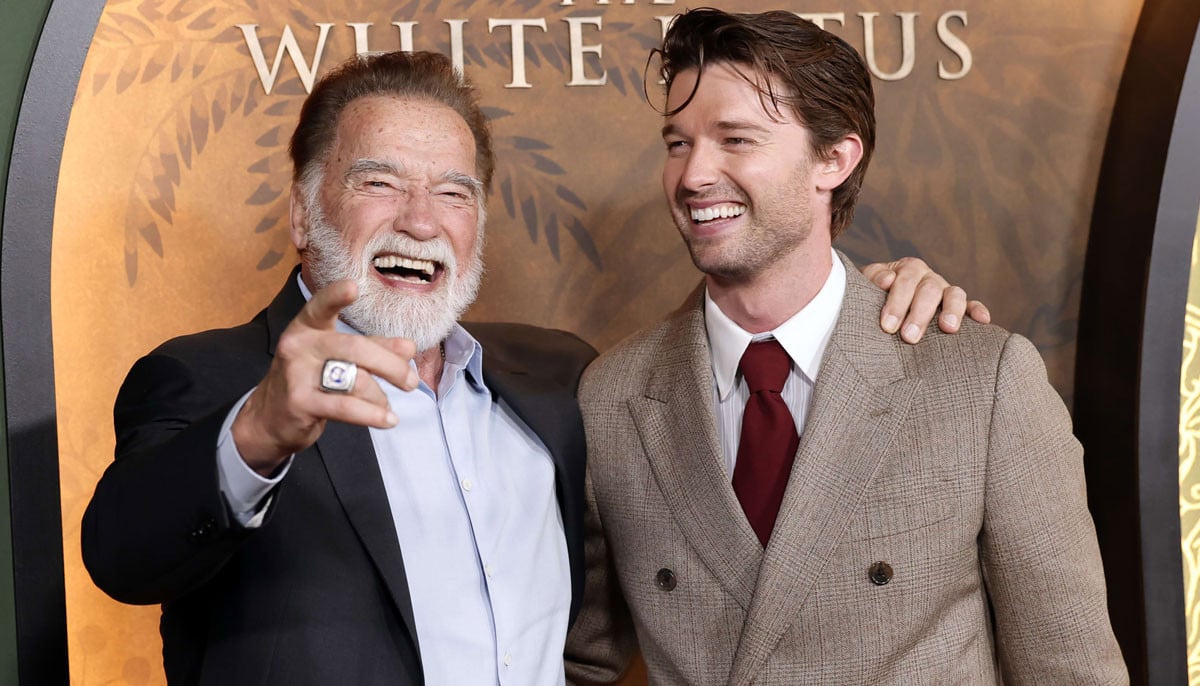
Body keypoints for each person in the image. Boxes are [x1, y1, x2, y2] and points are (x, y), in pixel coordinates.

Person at [81, 50, 983, 685]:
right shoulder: (212, 378)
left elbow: (723, 339)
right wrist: (259, 433)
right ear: (301, 212)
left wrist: (853, 303)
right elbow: (122, 557)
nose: (420, 219)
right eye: (379, 182)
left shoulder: (561, 380)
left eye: (453, 191)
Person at [564, 9, 1127, 685]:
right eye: (678, 144)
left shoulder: (982, 382)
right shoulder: (613, 397)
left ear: (833, 159)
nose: (693, 175)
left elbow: (1071, 669)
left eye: (736, 139)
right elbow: (574, 665)